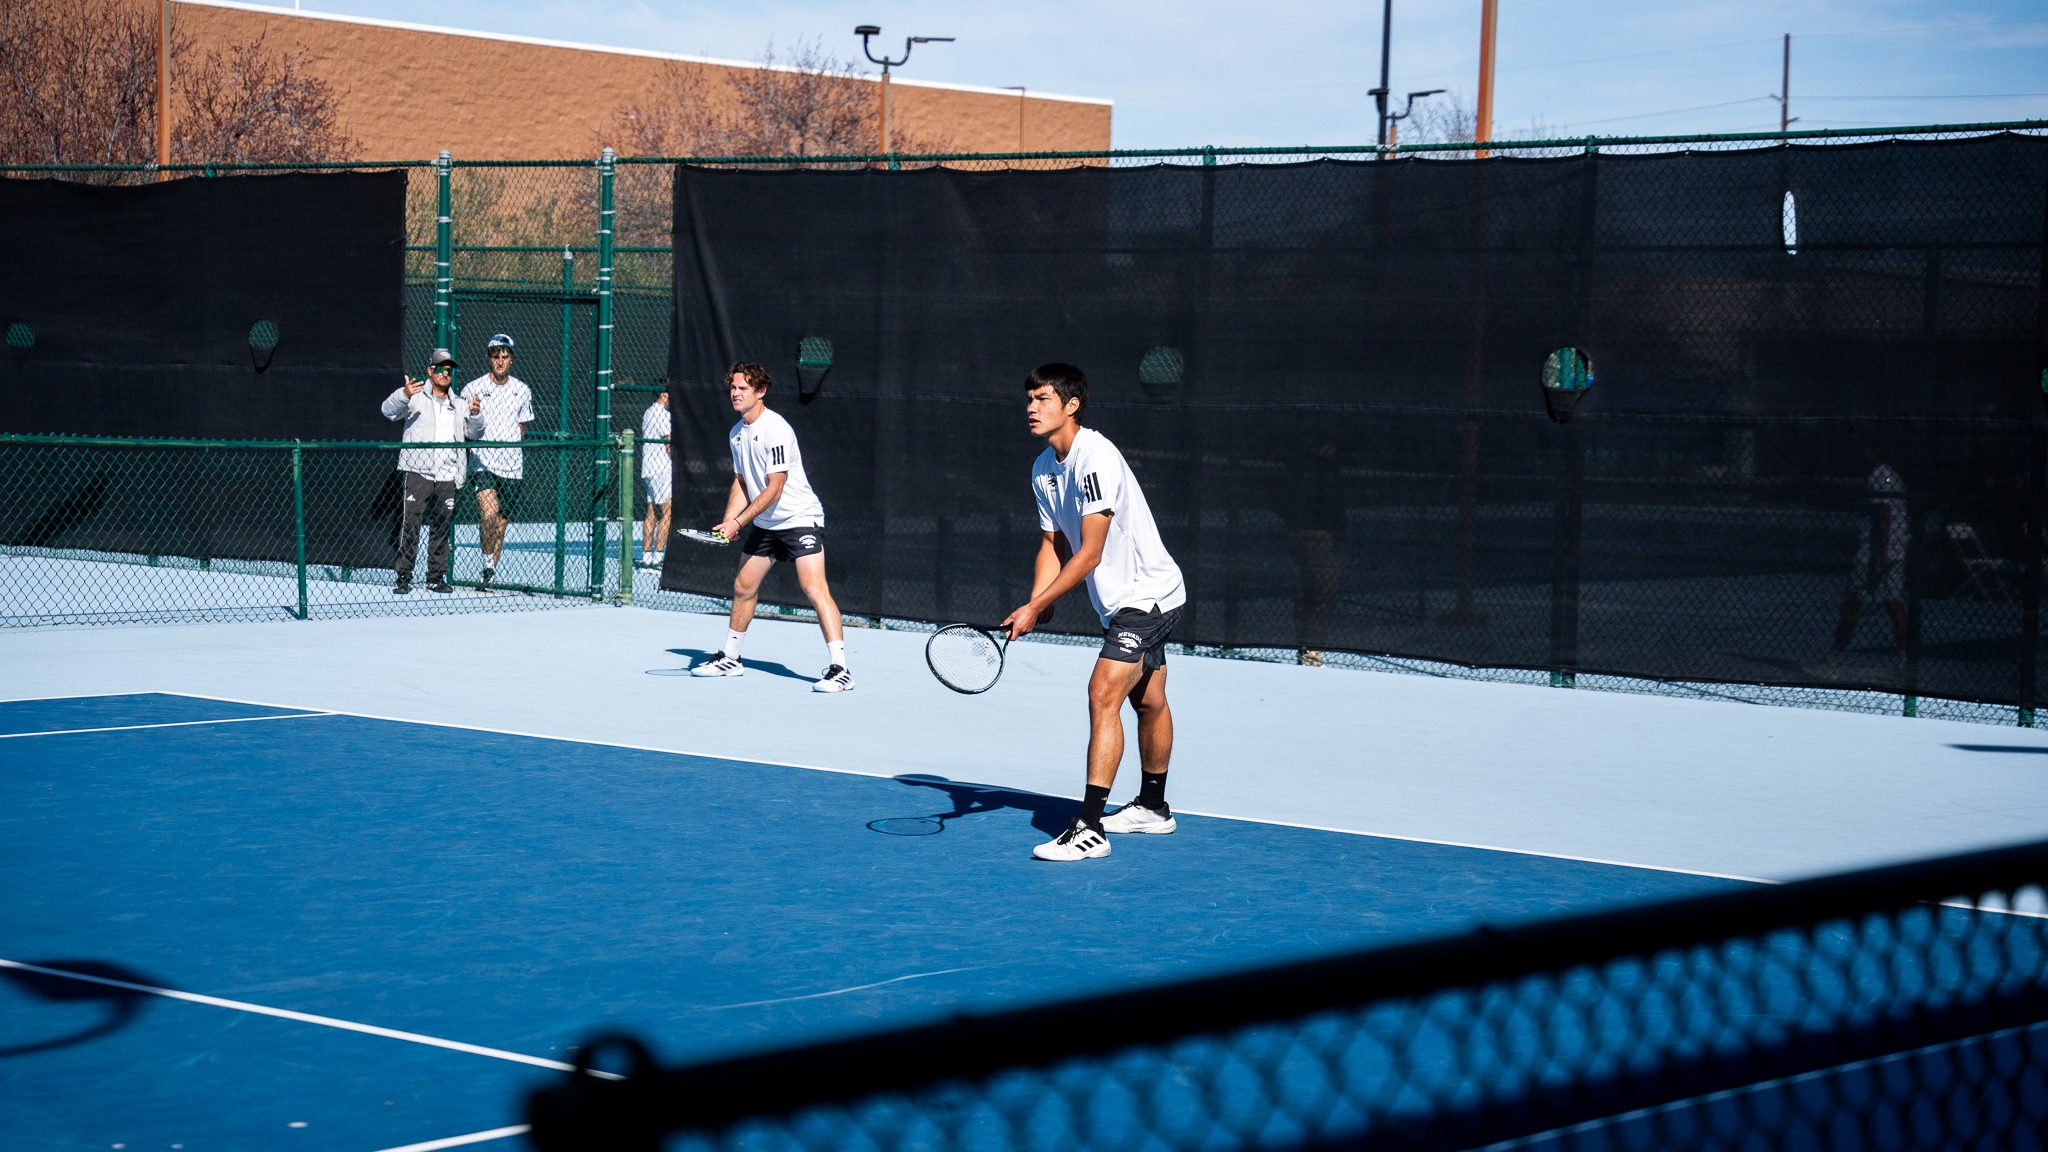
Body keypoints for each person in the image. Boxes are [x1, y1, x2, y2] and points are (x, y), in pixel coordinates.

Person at [1001, 362, 1187, 862]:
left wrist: (1038, 604)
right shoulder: (1044, 469)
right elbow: (1052, 544)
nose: (1031, 409)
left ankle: (1089, 828)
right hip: (1119, 600)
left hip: (1147, 594)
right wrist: (1040, 600)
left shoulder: (1096, 458)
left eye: (1042, 399)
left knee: (1102, 692)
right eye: (1029, 399)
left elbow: (1090, 552)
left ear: (1071, 405)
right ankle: (1152, 808)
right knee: (1148, 701)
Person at [690, 362, 853, 693]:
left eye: (743, 389)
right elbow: (741, 481)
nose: (735, 393)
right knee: (743, 586)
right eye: (733, 388)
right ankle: (730, 658)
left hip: (798, 518)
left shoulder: (776, 429)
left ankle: (841, 669)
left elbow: (774, 488)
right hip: (765, 524)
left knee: (813, 588)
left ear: (760, 392)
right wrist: (730, 520)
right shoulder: (736, 433)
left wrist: (740, 520)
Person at [381, 348, 483, 594]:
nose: (445, 373)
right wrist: (403, 394)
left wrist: (477, 415)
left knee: (441, 527)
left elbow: (475, 434)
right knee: (411, 525)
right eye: (440, 368)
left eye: (448, 370)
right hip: (419, 472)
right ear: (430, 371)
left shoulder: (459, 404)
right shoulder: (414, 397)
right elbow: (387, 411)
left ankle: (435, 577)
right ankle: (404, 576)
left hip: (448, 474)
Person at [459, 333, 534, 588]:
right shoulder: (472, 388)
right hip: (483, 463)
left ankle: (488, 574)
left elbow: (522, 426)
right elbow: (465, 426)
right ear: (488, 359)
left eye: (505, 357)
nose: (500, 361)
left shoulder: (522, 390)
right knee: (489, 515)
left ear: (511, 360)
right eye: (495, 357)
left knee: (500, 526)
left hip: (513, 467)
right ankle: (487, 561)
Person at [1836, 442, 1910, 652]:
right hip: (1888, 550)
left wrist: (1882, 553)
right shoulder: (1891, 476)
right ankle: (1905, 658)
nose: (1862, 455)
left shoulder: (1879, 476)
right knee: (1893, 604)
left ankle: (1835, 654)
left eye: (1867, 450)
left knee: (1853, 603)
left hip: (1876, 553)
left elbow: (1883, 514)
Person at [639, 387, 672, 570]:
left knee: (651, 512)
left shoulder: (648, 412)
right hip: (662, 470)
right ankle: (658, 559)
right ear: (663, 395)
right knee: (668, 512)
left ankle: (646, 557)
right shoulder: (663, 415)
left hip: (649, 469)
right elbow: (669, 445)